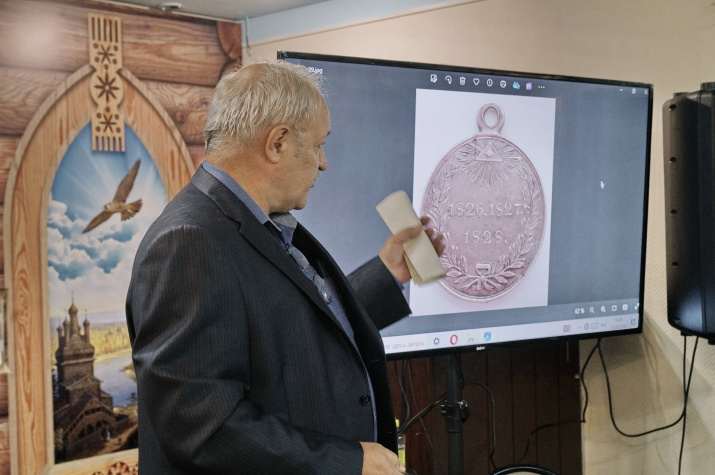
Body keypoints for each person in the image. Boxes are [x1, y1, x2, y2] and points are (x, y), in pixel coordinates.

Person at [126, 60, 443, 474]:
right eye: (317, 145)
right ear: (277, 144)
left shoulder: (257, 224)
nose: (323, 163)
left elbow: (289, 332)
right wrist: (346, 463)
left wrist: (388, 273)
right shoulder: (187, 242)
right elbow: (202, 427)